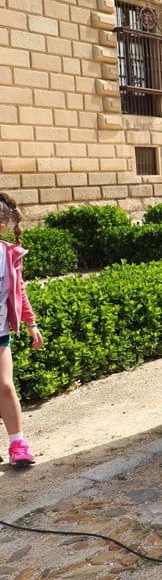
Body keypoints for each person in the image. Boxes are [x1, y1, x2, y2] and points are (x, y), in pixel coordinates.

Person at [0, 192, 44, 468]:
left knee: (5, 386)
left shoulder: (10, 256)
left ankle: (18, 444)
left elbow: (19, 292)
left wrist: (31, 323)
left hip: (0, 334)